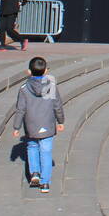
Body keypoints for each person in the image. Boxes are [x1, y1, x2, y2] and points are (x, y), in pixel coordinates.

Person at [12, 55, 65, 193]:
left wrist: (16, 126)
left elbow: (20, 109)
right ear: (46, 71)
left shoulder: (24, 88)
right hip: (47, 123)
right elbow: (57, 105)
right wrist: (60, 121)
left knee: (32, 146)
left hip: (31, 124)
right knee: (46, 152)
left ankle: (35, 172)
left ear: (29, 72)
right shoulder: (51, 86)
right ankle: (45, 183)